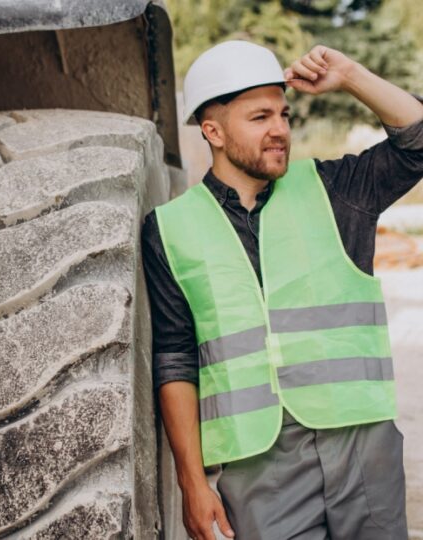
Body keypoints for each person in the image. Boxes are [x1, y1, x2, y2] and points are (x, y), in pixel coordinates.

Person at [142, 40, 423, 540]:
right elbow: (175, 359)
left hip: (360, 441)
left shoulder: (336, 191)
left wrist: (353, 74)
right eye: (259, 117)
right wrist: (191, 482)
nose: (279, 130)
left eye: (283, 114)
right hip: (258, 464)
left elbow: (418, 142)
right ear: (214, 131)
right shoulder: (169, 229)